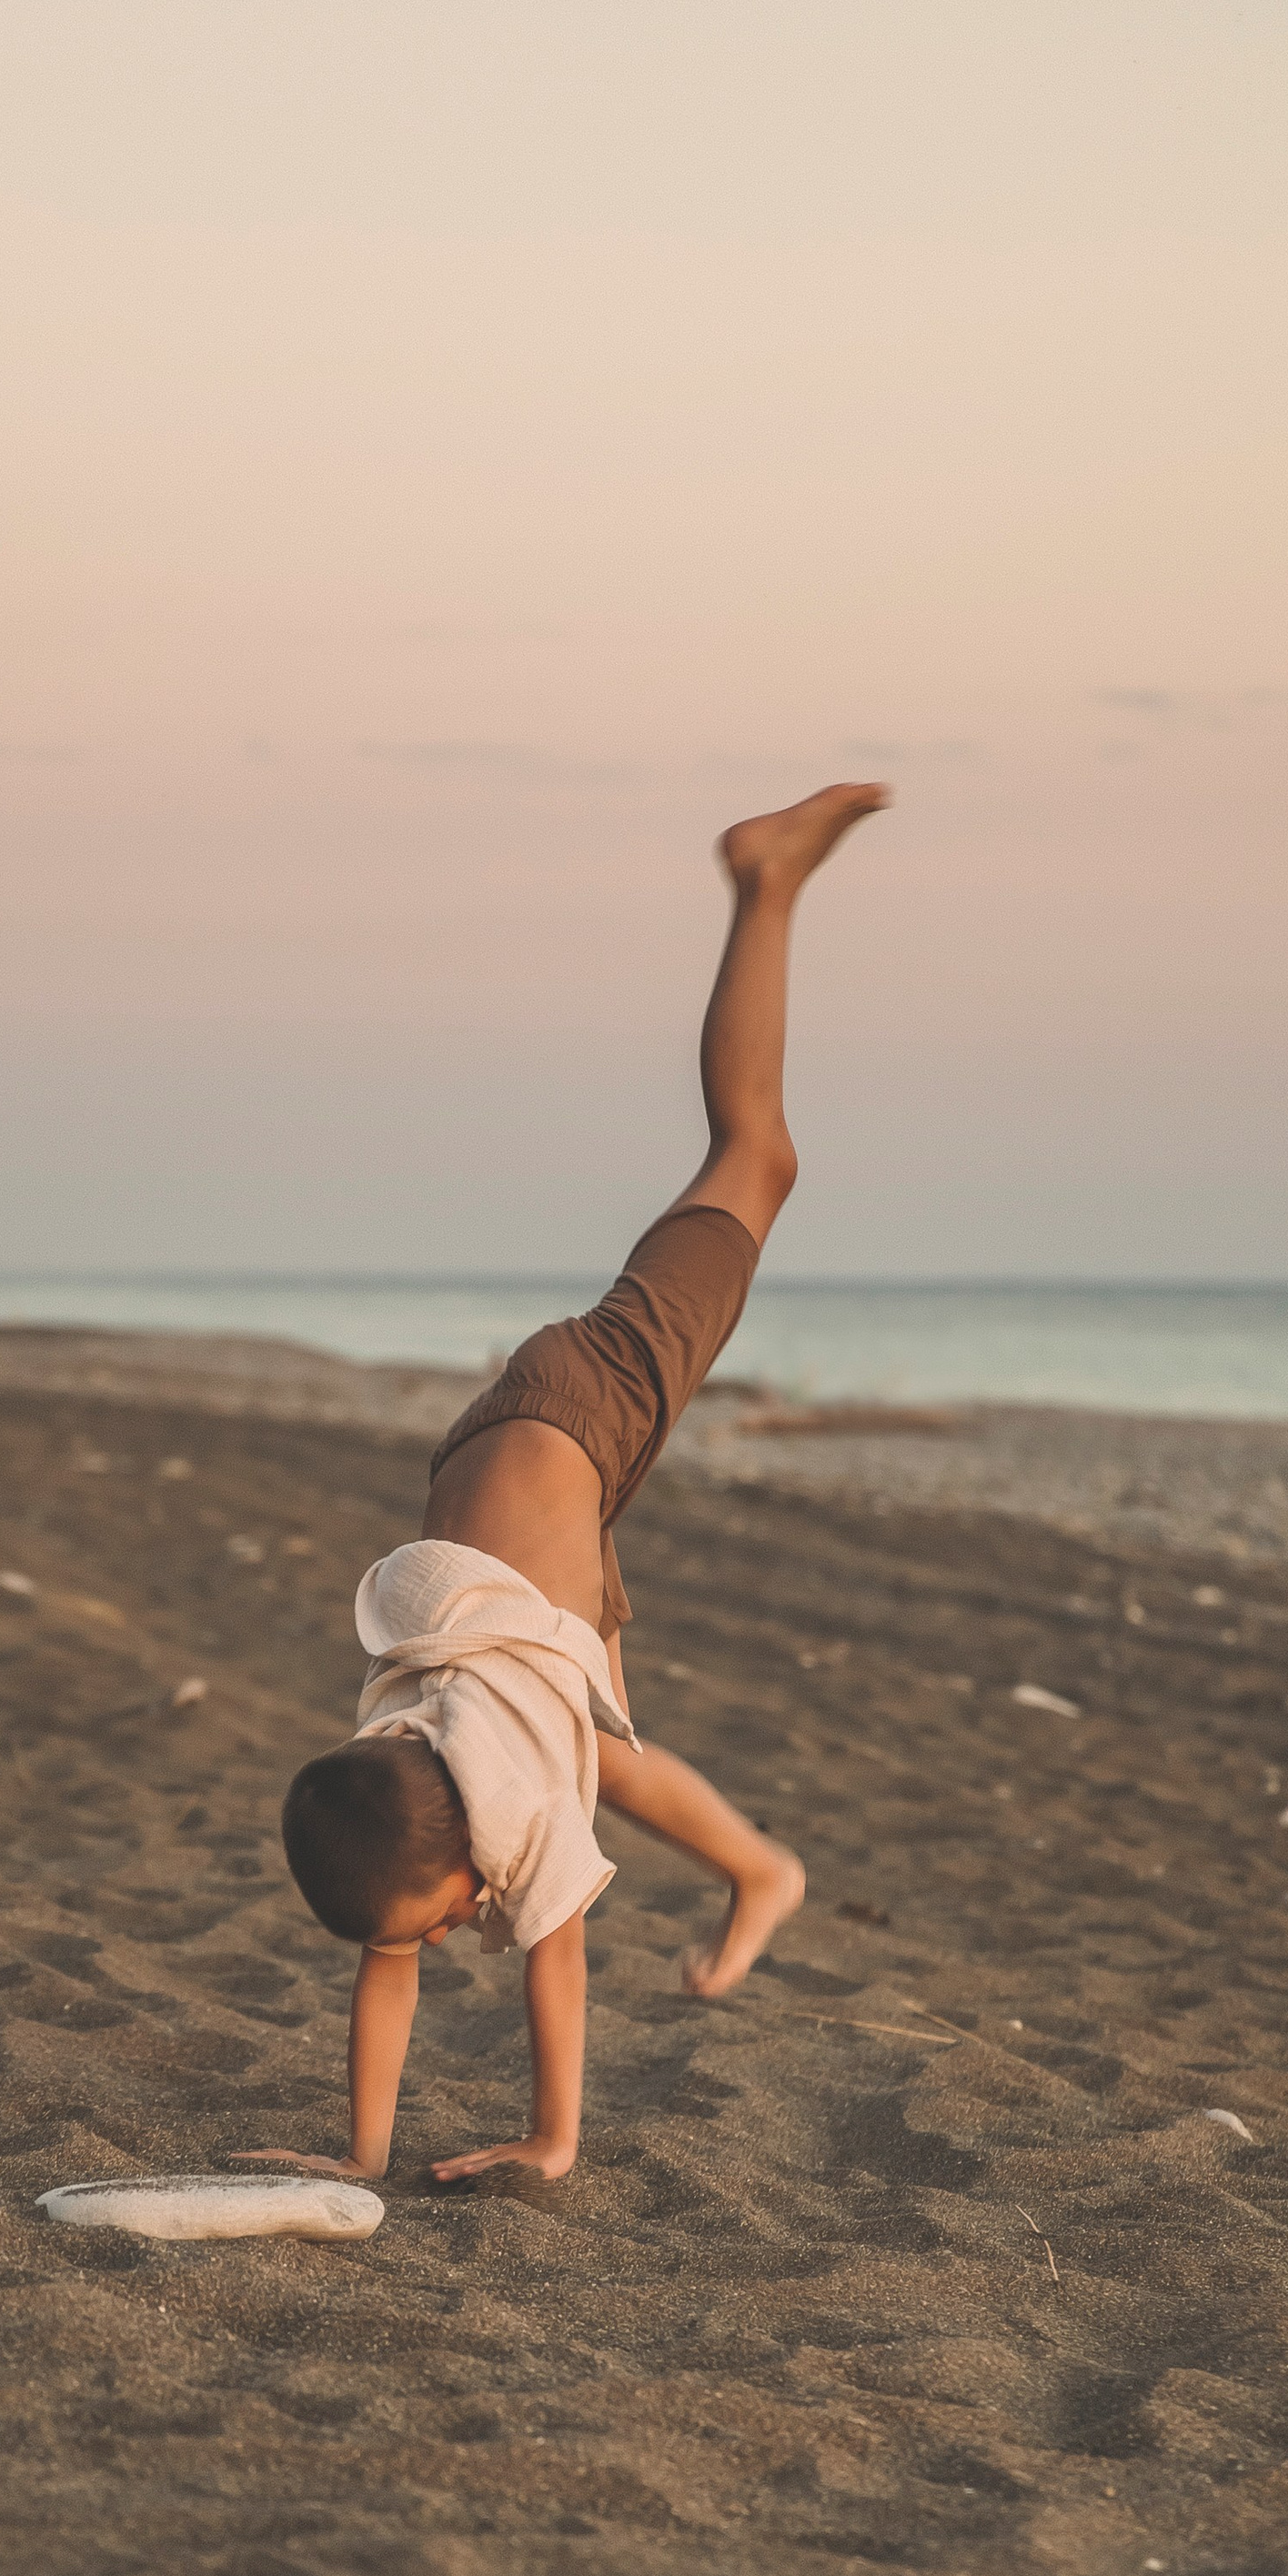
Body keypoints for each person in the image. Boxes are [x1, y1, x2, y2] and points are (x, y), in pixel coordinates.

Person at [243, 781, 889, 2188]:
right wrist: (361, 2158)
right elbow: (389, 1961)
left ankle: (764, 881)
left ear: (469, 1840)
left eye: (448, 1908)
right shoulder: (414, 1772)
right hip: (522, 1484)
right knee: (594, 1733)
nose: (451, 1929)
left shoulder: (509, 1818)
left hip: (578, 1407)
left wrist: (551, 2140)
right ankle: (760, 1868)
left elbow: (555, 1963)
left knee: (757, 1159)